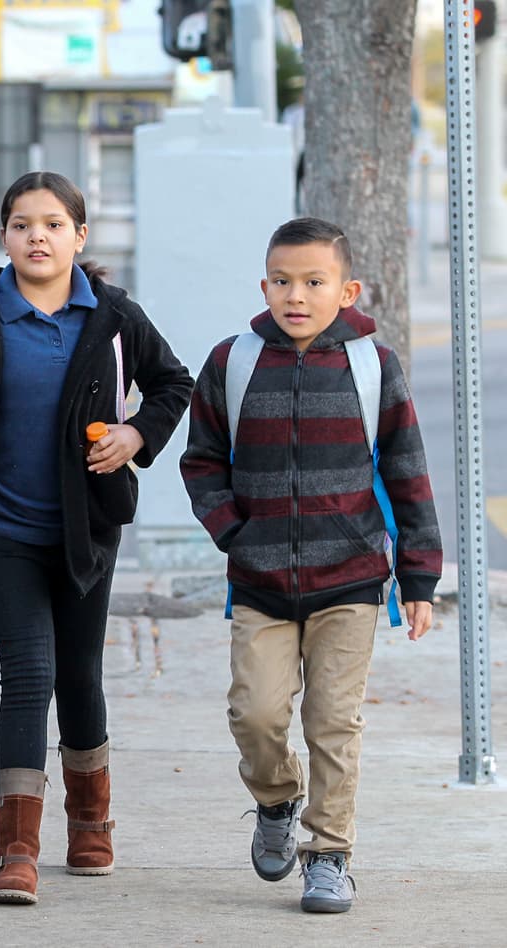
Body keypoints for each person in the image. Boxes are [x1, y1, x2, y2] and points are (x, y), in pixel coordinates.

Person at [0, 171, 193, 906]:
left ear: (79, 235)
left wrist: (136, 434)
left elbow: (174, 383)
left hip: (86, 531)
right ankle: (16, 850)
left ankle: (91, 821)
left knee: (80, 678)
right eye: (21, 225)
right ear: (4, 236)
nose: (36, 236)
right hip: (0, 532)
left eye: (52, 224)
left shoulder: (113, 315)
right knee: (28, 677)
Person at [179, 217, 442, 914]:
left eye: (314, 282)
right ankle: (275, 800)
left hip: (350, 578)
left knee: (334, 724)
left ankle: (329, 855)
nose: (296, 295)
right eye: (282, 281)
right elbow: (201, 461)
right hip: (259, 582)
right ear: (264, 286)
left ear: (346, 290)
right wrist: (234, 533)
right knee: (255, 714)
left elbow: (409, 472)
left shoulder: (372, 366)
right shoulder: (232, 363)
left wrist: (419, 577)